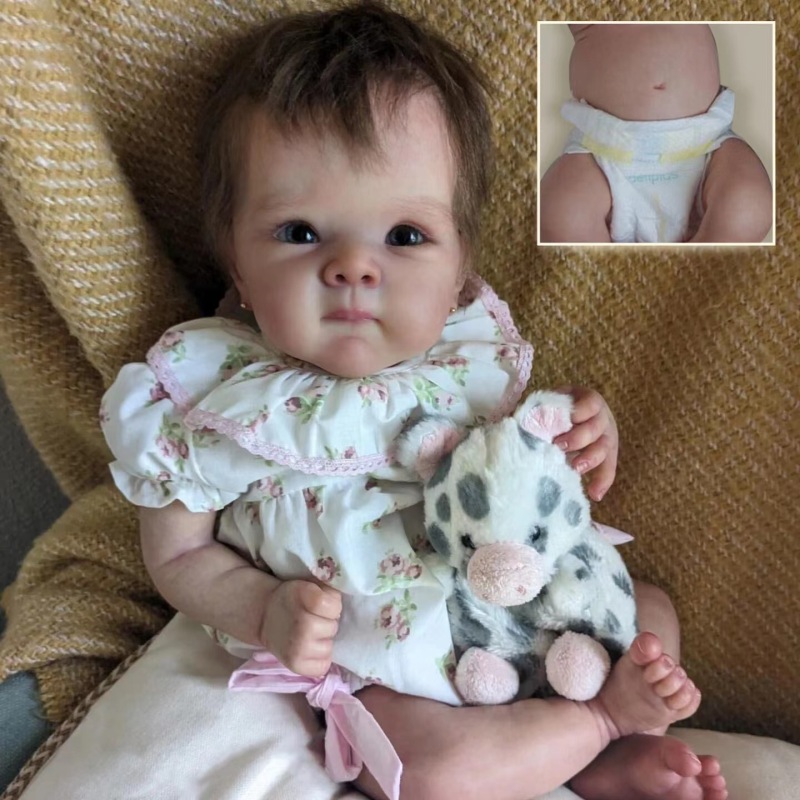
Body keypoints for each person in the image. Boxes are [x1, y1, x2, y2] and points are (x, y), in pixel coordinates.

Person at [99, 4, 727, 799]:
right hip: (398, 668)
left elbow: (529, 458)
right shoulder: (212, 397)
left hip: (534, 604)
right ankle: (601, 730)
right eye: (299, 232)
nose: (354, 268)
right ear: (235, 263)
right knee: (425, 772)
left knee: (651, 611)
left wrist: (587, 432)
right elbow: (179, 556)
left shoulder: (471, 356)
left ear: (461, 264)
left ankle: (596, 742)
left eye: (403, 236)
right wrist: (262, 610)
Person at [540, 23, 772, 244]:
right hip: (603, 151)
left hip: (705, 145)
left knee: (749, 204)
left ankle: (700, 260)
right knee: (562, 212)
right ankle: (605, 267)